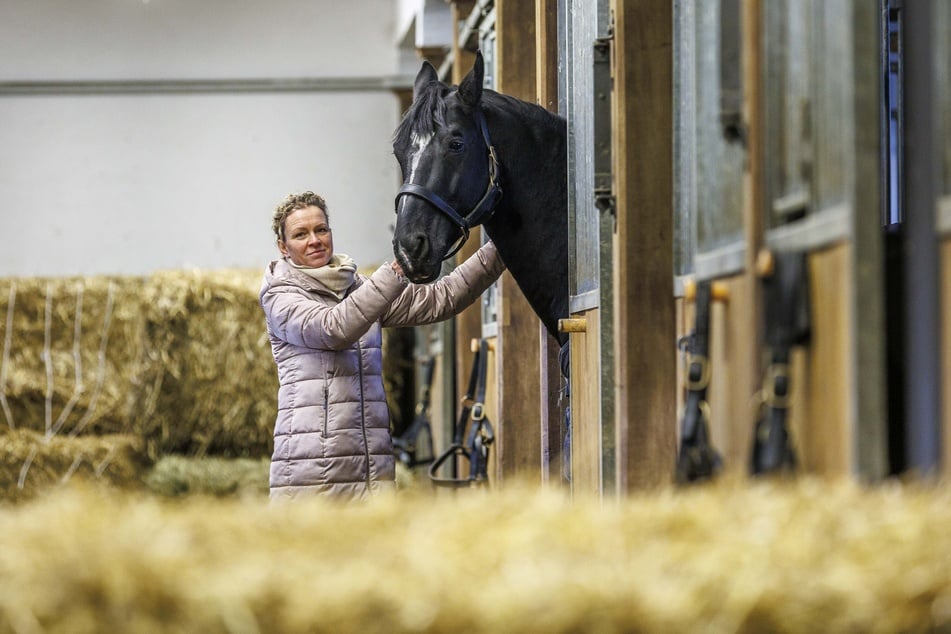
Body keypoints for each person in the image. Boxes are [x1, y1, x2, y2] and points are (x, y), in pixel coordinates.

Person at [260, 191, 505, 501]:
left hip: (371, 469)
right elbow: (333, 328)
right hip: (309, 473)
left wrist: (502, 247)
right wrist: (396, 272)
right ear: (283, 247)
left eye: (321, 229)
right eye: (301, 234)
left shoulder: (359, 289)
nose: (315, 240)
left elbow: (441, 299)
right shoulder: (281, 296)